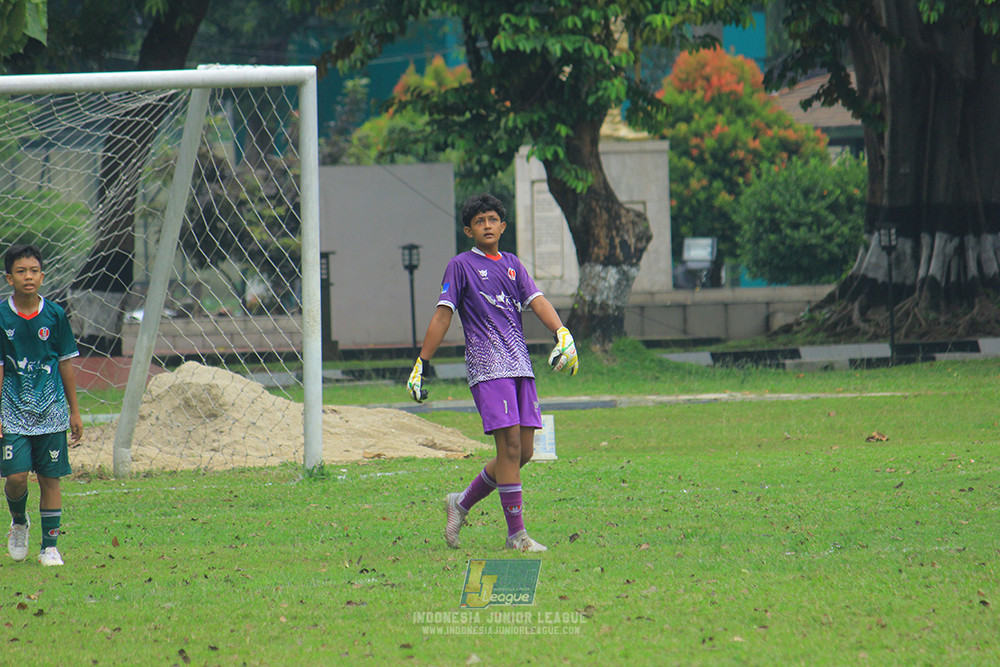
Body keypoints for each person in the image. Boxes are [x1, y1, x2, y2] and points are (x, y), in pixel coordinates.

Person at [407, 193, 579, 552]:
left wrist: (562, 332)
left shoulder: (514, 264)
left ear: (503, 226)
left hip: (520, 367)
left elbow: (537, 300)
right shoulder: (460, 266)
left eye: (492, 219)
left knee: (524, 452)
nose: (487, 225)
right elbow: (443, 315)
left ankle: (462, 502)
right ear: (469, 230)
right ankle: (517, 535)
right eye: (479, 221)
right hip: (488, 369)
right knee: (510, 448)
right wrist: (422, 363)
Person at [1, 244, 83, 566]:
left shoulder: (55, 315)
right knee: (17, 477)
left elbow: (65, 363)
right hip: (13, 410)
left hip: (50, 411)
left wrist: (74, 411)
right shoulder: (2, 315)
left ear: (43, 275)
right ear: (9, 278)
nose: (28, 276)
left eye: (34, 271)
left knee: (51, 479)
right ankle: (19, 521)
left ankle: (49, 547)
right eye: (21, 271)